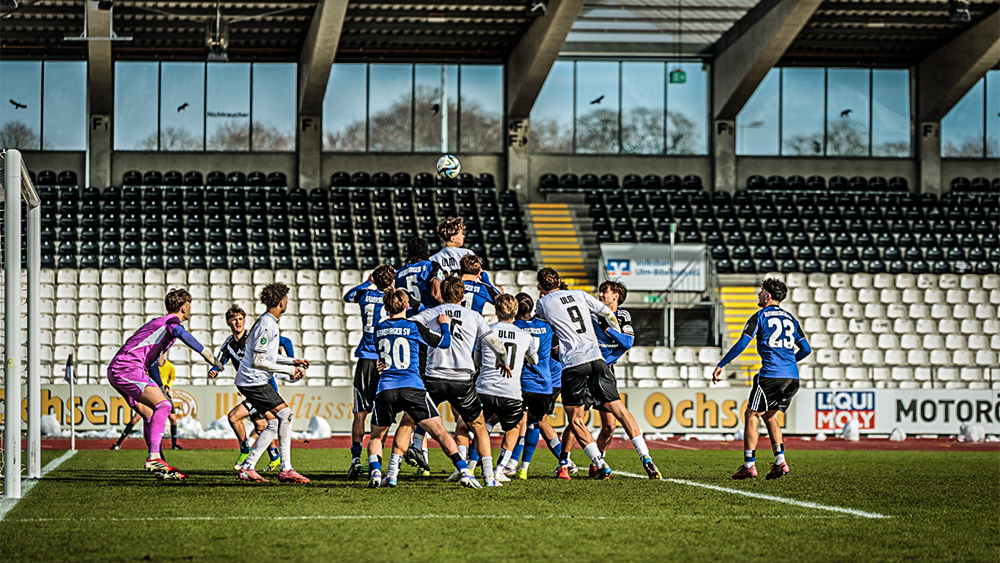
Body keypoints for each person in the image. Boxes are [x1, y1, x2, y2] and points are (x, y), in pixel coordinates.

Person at [534, 268, 659, 481]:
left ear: (540, 287)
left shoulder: (542, 303)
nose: (602, 294)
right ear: (560, 280)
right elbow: (607, 313)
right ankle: (645, 455)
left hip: (574, 364)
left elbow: (538, 326)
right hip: (597, 360)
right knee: (620, 411)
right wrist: (611, 327)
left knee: (576, 420)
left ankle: (598, 463)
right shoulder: (580, 294)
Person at [393, 276, 509, 487]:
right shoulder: (474, 316)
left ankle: (392, 472)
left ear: (441, 295)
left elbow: (401, 325)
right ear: (463, 295)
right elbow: (496, 345)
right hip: (462, 379)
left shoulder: (430, 313)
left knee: (409, 420)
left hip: (434, 377)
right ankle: (490, 478)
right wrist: (504, 361)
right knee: (479, 426)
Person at [367, 288, 480, 489]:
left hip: (386, 388)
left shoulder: (378, 328)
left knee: (377, 436)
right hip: (412, 387)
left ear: (385, 307)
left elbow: (382, 356)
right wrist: (445, 326)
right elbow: (444, 343)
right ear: (408, 306)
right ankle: (464, 472)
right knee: (441, 433)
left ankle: (377, 473)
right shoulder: (414, 326)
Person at [106, 289, 221, 479]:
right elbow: (183, 334)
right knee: (164, 405)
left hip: (119, 369)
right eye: (189, 305)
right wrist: (208, 356)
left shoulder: (159, 325)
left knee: (149, 414)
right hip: (127, 368)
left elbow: (151, 362)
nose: (190, 309)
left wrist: (159, 387)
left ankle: (161, 466)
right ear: (184, 307)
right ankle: (154, 457)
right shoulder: (171, 322)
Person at [713, 277, 810, 480]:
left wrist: (722, 364)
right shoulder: (791, 319)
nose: (758, 295)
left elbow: (742, 344)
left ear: (768, 296)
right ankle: (780, 462)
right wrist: (789, 361)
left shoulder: (760, 316)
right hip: (792, 377)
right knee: (769, 416)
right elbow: (806, 349)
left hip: (771, 376)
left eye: (761, 291)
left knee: (751, 415)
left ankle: (749, 465)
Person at [343, 264, 420, 480]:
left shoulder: (365, 294)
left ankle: (356, 459)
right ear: (392, 281)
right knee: (383, 415)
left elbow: (348, 296)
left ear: (374, 279)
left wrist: (369, 283)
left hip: (366, 360)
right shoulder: (396, 299)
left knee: (360, 412)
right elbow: (416, 306)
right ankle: (380, 460)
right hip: (387, 361)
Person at [235, 282, 311, 484]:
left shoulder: (268, 322)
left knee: (274, 422)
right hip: (253, 381)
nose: (287, 301)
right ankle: (285, 468)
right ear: (280, 302)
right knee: (286, 414)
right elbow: (258, 361)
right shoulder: (267, 325)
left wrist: (292, 361)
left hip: (251, 380)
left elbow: (269, 356)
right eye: (285, 298)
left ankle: (248, 467)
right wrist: (289, 370)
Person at [208, 305, 281, 472]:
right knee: (261, 424)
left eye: (240, 318)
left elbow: (282, 342)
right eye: (234, 319)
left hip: (263, 387)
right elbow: (221, 360)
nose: (237, 322)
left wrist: (289, 359)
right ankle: (275, 456)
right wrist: (215, 369)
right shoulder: (228, 343)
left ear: (244, 320)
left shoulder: (252, 336)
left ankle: (245, 449)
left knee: (234, 417)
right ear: (228, 322)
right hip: (251, 388)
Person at [477, 294, 538, 485]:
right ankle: (499, 469)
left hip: (484, 388)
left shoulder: (486, 331)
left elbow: (477, 361)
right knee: (514, 428)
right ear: (516, 312)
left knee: (476, 426)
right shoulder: (525, 336)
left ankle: (468, 466)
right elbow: (534, 361)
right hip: (510, 391)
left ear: (496, 311)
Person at [505, 293, 557, 480]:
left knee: (519, 423)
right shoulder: (546, 327)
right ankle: (524, 468)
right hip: (544, 384)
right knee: (534, 424)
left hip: (523, 382)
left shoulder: (514, 328)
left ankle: (510, 463)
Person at [395, 237, 445, 309]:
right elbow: (436, 295)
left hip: (408, 316)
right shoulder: (432, 266)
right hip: (428, 314)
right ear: (427, 252)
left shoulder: (398, 273)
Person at [156, 353, 184, 451]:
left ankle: (174, 445)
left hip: (165, 393)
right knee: (141, 418)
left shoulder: (169, 366)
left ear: (163, 354)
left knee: (173, 419)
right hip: (154, 394)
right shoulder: (152, 366)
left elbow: (172, 378)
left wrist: (168, 386)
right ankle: (119, 443)